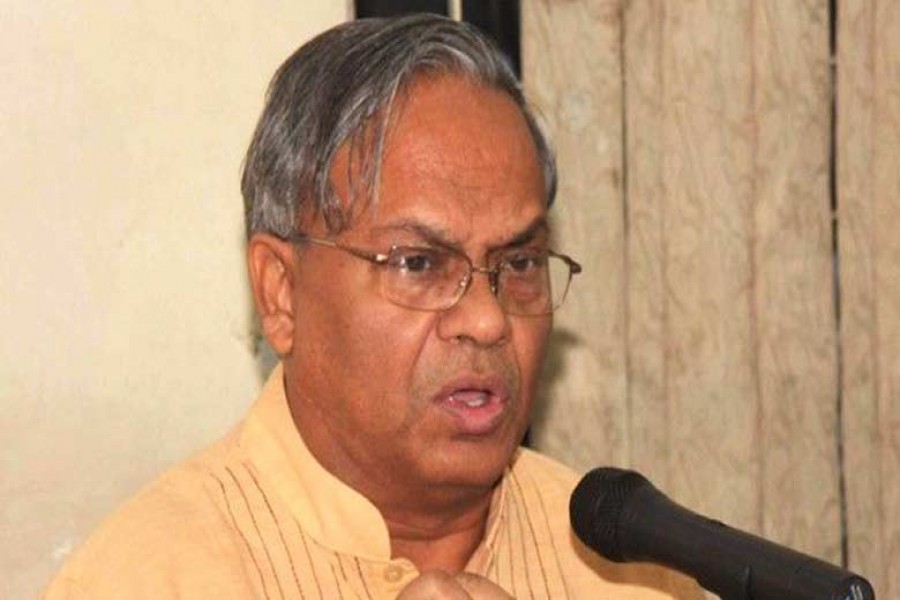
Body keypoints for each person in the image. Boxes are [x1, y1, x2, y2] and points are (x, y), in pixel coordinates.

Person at [45, 14, 702, 599]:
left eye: (520, 264)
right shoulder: (140, 582)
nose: (488, 320)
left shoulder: (633, 575)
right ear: (281, 292)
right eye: (419, 263)